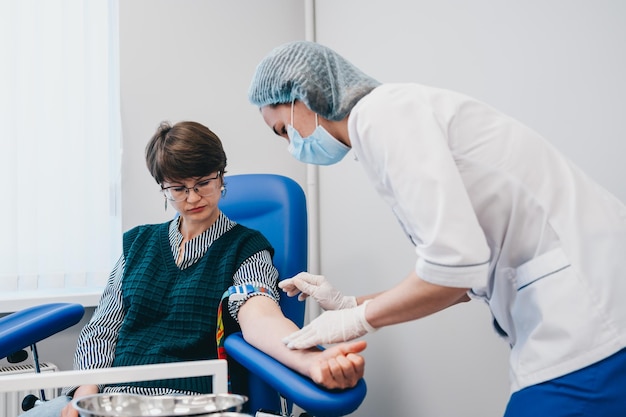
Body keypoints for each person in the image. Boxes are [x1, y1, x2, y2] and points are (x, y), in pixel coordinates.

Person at [247, 40, 626, 416]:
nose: (290, 145)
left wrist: (356, 319)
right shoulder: (389, 120)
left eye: (283, 129)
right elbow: (463, 272)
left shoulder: (382, 116)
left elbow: (454, 270)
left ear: (305, 96)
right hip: (583, 310)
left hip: (590, 313)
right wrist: (351, 304)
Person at [22, 120, 366, 417]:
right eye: (178, 188)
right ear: (164, 188)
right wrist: (85, 395)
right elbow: (103, 330)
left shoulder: (246, 248)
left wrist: (313, 362)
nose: (192, 197)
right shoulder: (138, 244)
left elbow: (261, 318)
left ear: (221, 176)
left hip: (188, 400)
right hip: (110, 397)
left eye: (203, 182)